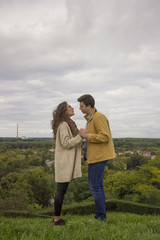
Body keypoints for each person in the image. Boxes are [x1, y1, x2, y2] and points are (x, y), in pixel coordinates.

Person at [77, 94, 115, 221]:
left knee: (94, 187)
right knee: (98, 187)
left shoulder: (98, 117)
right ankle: (101, 216)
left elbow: (105, 137)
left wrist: (87, 136)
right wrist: (87, 134)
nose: (80, 109)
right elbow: (98, 135)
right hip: (96, 157)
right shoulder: (91, 118)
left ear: (89, 106)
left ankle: (100, 217)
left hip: (99, 157)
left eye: (81, 106)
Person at [51, 101, 82, 226]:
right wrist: (81, 136)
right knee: (60, 191)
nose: (73, 108)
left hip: (65, 161)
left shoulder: (67, 124)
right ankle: (57, 219)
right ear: (64, 111)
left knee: (61, 191)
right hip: (64, 162)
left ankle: (57, 218)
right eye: (69, 106)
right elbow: (66, 143)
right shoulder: (64, 125)